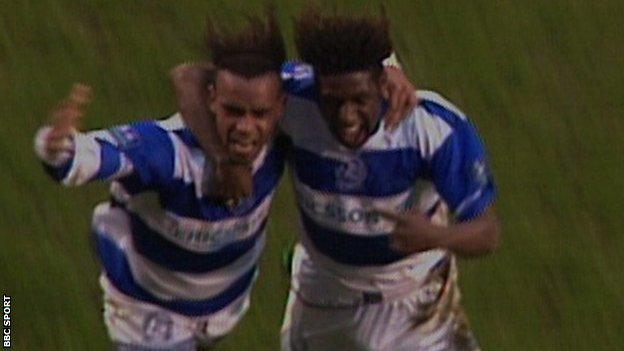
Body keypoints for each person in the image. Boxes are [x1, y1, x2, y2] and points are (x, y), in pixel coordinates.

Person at [175, 9, 500, 351]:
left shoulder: (432, 128)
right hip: (322, 300)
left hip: (415, 304)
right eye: (333, 101)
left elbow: (487, 231)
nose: (346, 117)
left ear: (383, 85)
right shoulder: (296, 98)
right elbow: (191, 78)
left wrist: (436, 235)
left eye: (360, 100)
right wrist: (225, 159)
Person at [34, 11, 289, 350]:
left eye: (258, 115)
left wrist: (388, 69)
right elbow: (97, 154)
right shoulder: (168, 153)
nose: (245, 127)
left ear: (280, 107)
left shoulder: (288, 128)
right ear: (212, 98)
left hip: (223, 307)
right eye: (233, 111)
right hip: (147, 309)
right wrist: (57, 147)